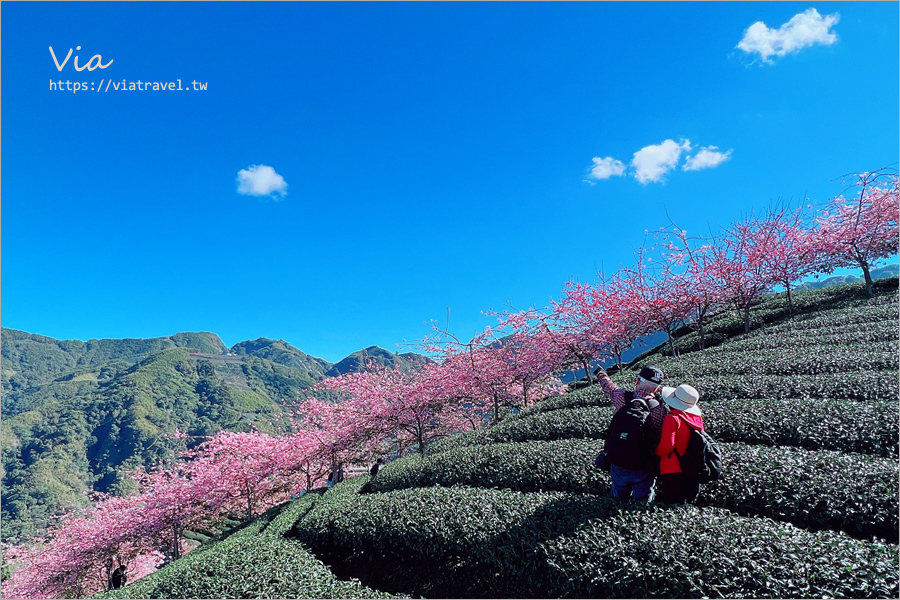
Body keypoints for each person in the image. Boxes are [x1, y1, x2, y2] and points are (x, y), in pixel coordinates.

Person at [595, 365, 667, 501]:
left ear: (638, 381)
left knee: (618, 500)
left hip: (618, 461)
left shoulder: (622, 397)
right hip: (643, 464)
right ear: (657, 389)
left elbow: (608, 387)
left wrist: (600, 373)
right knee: (642, 504)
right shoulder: (659, 409)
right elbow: (659, 437)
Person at [655, 384, 704, 504]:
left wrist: (654, 451)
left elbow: (667, 446)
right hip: (693, 469)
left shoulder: (672, 419)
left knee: (671, 505)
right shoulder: (697, 419)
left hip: (673, 470)